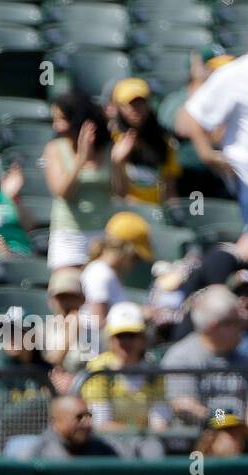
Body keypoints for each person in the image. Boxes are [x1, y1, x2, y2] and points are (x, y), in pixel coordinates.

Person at [42, 91, 123, 270]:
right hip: (69, 234)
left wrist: (119, 162)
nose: (56, 126)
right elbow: (62, 192)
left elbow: (121, 192)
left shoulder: (110, 149)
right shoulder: (54, 149)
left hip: (102, 234)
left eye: (61, 119)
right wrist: (80, 159)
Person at [160, 284, 248, 424]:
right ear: (214, 327)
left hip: (239, 435)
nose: (242, 327)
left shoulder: (242, 357)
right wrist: (223, 422)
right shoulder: (182, 357)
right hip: (197, 440)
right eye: (234, 323)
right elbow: (183, 405)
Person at [177, 53, 248, 226]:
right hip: (198, 175)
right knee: (199, 217)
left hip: (223, 178)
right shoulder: (234, 75)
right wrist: (207, 152)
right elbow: (184, 124)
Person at [79, 302, 167, 435]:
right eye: (120, 336)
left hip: (147, 441)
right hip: (109, 444)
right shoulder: (98, 369)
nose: (126, 342)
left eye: (132, 335)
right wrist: (136, 432)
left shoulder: (154, 369)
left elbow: (160, 420)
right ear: (110, 339)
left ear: (143, 338)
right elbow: (100, 423)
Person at [109, 78, 179, 206]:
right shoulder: (112, 139)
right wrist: (117, 163)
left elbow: (170, 188)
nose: (136, 109)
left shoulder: (164, 141)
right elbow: (118, 194)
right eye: (130, 104)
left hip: (156, 213)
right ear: (119, 107)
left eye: (141, 103)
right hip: (127, 213)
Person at [81, 212, 152, 324]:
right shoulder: (100, 274)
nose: (135, 264)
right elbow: (98, 323)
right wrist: (138, 316)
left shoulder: (107, 273)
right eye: (136, 258)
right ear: (127, 250)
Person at [24, 395, 119, 459]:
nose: (87, 423)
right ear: (56, 421)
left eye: (89, 416)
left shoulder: (102, 449)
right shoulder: (39, 453)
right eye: (79, 417)